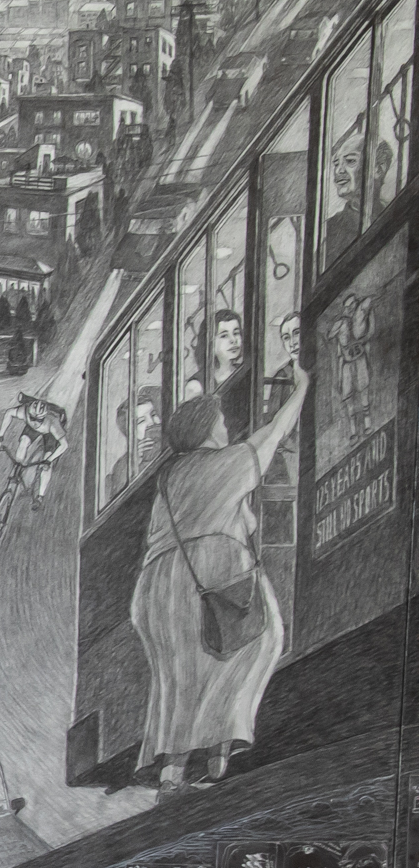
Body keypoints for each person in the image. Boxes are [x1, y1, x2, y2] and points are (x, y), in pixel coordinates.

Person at [131, 332, 304, 788]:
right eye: (222, 421)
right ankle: (220, 751)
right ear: (209, 428)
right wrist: (302, 387)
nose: (226, 427)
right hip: (209, 570)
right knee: (262, 639)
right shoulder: (225, 463)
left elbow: (173, 528)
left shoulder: (171, 475)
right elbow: (275, 433)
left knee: (179, 678)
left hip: (155, 587)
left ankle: (173, 769)